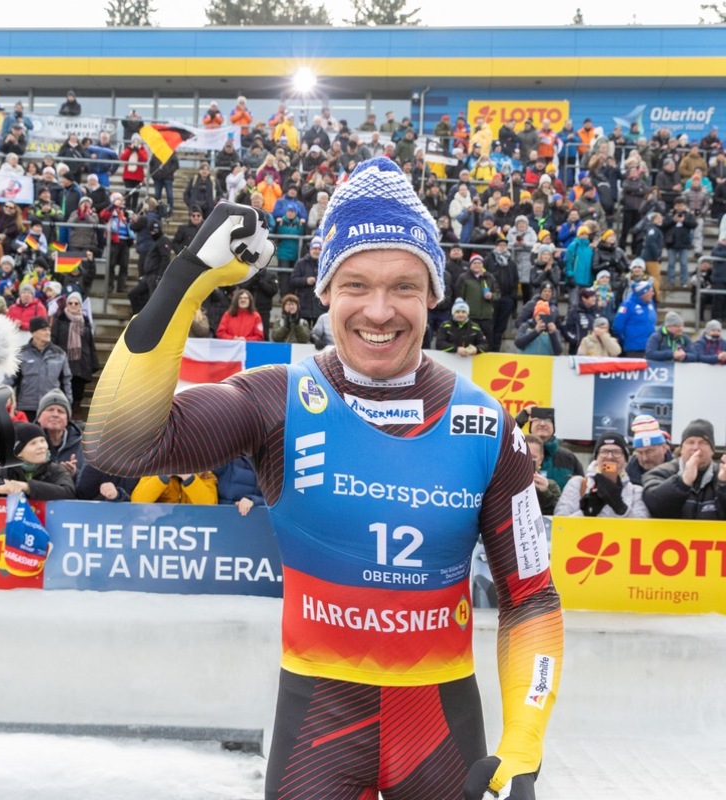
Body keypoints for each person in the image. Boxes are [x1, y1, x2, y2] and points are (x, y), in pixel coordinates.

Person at [84, 157, 562, 800]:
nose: (380, 310)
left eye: (405, 287)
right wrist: (187, 280)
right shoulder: (276, 399)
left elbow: (531, 593)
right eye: (356, 284)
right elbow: (117, 442)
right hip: (318, 730)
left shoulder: (485, 423)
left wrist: (525, 742)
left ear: (434, 296)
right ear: (325, 291)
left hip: (440, 734)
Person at [642, 419, 726, 520]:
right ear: (681, 449)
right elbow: (654, 504)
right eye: (690, 442)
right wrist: (682, 482)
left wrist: (723, 486)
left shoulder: (721, 474)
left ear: (712, 450)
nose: (696, 447)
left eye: (703, 443)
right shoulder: (660, 473)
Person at [554, 432, 649, 518]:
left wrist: (621, 508)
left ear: (625, 459)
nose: (610, 457)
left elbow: (645, 529)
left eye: (617, 452)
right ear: (596, 457)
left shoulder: (636, 491)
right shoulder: (578, 484)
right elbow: (560, 525)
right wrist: (586, 513)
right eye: (604, 451)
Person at [0, 422, 75, 501]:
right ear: (18, 453)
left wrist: (28, 487)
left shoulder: (56, 470)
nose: (41, 446)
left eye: (42, 441)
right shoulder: (3, 471)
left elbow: (68, 492)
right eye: (33, 443)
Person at [8, 317, 73, 421]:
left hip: (51, 407)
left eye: (49, 329)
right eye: (43, 330)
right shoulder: (21, 353)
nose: (48, 333)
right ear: (33, 333)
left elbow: (66, 381)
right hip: (26, 407)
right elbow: (9, 380)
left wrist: (67, 403)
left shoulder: (59, 354)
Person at [51, 292, 100, 417]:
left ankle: (75, 415)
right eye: (70, 303)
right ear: (66, 304)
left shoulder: (86, 322)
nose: (73, 305)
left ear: (80, 305)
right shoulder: (59, 320)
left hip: (81, 362)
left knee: (78, 392)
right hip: (65, 360)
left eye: (76, 303)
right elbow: (53, 340)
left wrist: (93, 363)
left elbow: (90, 343)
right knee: (65, 389)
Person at [514, 406, 583, 490]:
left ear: (553, 427)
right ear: (530, 426)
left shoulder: (568, 457)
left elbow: (582, 488)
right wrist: (519, 420)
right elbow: (504, 442)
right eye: (537, 420)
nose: (542, 424)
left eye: (548, 420)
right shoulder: (518, 452)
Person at [612, 279, 657, 357]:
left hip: (650, 347)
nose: (653, 294)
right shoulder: (628, 305)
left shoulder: (650, 304)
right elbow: (618, 326)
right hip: (634, 348)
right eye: (651, 291)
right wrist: (627, 339)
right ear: (644, 293)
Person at [625, 414, 672, 486]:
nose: (645, 458)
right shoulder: (626, 478)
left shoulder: (679, 473)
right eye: (640, 453)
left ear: (664, 448)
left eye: (649, 452)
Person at [525, 434, 560, 515]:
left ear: (540, 459)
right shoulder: (502, 480)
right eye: (524, 456)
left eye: (533, 457)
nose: (528, 461)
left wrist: (544, 492)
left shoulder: (551, 485)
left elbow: (556, 514)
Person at [131, 471, 218, 504]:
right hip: (162, 525)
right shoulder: (153, 471)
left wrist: (188, 477)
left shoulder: (205, 474)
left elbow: (210, 504)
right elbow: (138, 500)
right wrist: (164, 476)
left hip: (194, 525)